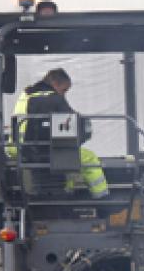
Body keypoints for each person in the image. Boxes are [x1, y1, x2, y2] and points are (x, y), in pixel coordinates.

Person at [7, 68, 108, 199]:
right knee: (88, 157)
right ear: (55, 83)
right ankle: (102, 199)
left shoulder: (26, 95)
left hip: (18, 148)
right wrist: (84, 129)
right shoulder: (53, 99)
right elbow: (72, 121)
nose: (64, 95)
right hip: (36, 150)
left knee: (67, 154)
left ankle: (66, 190)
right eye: (64, 90)